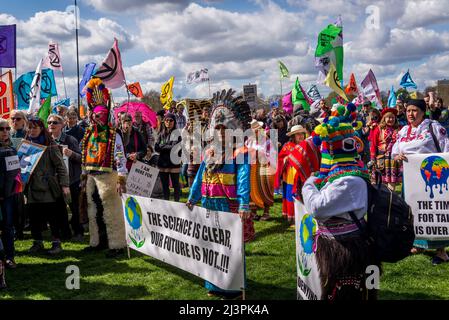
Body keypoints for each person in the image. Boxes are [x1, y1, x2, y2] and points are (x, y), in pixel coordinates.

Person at [302, 104, 380, 300]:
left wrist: (309, 184)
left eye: (325, 149)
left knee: (347, 293)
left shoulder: (347, 180)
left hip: (346, 248)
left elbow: (317, 208)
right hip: (341, 245)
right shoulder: (345, 175)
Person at [186, 89, 252, 299]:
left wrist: (243, 204)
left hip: (227, 205)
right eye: (218, 129)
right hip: (208, 203)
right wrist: (192, 197)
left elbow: (243, 181)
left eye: (225, 129)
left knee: (229, 246)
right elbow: (199, 177)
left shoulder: (240, 153)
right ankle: (213, 284)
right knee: (210, 245)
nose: (221, 133)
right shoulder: (208, 152)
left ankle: (232, 287)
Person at [392, 99, 449, 265]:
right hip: (411, 179)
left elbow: (446, 149)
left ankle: (441, 251)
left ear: (423, 112)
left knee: (435, 212)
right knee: (414, 211)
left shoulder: (434, 127)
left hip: (434, 178)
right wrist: (397, 157)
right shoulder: (403, 131)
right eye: (408, 110)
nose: (411, 113)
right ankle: (418, 244)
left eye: (415, 110)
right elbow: (395, 151)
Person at [80, 78, 128, 257]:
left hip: (108, 177)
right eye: (94, 115)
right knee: (94, 211)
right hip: (92, 177)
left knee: (112, 212)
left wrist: (121, 179)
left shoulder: (113, 135)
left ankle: (117, 245)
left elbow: (120, 156)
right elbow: (85, 155)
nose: (95, 118)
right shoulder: (89, 133)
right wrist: (84, 176)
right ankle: (97, 241)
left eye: (99, 115)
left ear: (106, 115)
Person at [25, 117, 70, 255]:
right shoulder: (25, 145)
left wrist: (64, 184)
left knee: (52, 216)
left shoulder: (50, 145)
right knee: (33, 216)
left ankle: (56, 243)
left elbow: (61, 166)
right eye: (30, 127)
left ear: (41, 129)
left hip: (48, 187)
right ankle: (37, 242)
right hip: (31, 186)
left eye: (35, 128)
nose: (32, 130)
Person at [48, 114, 84, 242]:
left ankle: (79, 231)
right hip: (56, 181)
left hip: (72, 180)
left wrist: (71, 154)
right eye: (49, 122)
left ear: (62, 125)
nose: (51, 124)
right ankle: (65, 232)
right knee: (60, 208)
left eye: (55, 122)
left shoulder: (70, 139)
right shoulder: (48, 141)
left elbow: (82, 158)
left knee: (75, 207)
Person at [276, 125, 308, 225]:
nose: (301, 136)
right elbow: (280, 159)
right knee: (291, 194)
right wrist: (286, 159)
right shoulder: (288, 146)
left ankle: (303, 215)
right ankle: (291, 216)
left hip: (303, 175)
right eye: (298, 134)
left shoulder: (306, 145)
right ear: (293, 136)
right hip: (290, 175)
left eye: (302, 134)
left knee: (302, 194)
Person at [0, 119, 20, 269]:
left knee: (8, 225)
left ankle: (10, 257)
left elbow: (13, 174)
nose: (6, 131)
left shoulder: (12, 149)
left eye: (7, 129)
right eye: (2, 129)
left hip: (8, 195)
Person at [247, 119, 274, 222]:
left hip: (265, 166)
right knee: (253, 188)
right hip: (253, 166)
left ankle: (266, 212)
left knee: (265, 187)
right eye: (254, 130)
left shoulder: (267, 140)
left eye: (258, 130)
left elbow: (271, 152)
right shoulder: (249, 140)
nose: (256, 132)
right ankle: (253, 212)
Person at [369, 108, 401, 190]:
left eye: (392, 117)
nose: (391, 119)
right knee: (381, 181)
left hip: (394, 159)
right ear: (384, 118)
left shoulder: (399, 129)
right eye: (388, 117)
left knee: (392, 182)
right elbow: (373, 144)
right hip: (382, 158)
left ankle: (392, 198)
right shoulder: (378, 129)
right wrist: (373, 158)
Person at [155, 113, 182, 202]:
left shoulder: (177, 133)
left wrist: (162, 146)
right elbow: (156, 147)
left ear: (174, 122)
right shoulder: (161, 133)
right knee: (165, 186)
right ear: (164, 122)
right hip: (163, 163)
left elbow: (174, 148)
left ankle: (177, 203)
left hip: (174, 164)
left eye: (171, 120)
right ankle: (166, 204)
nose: (169, 122)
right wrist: (167, 146)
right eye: (167, 120)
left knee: (175, 185)